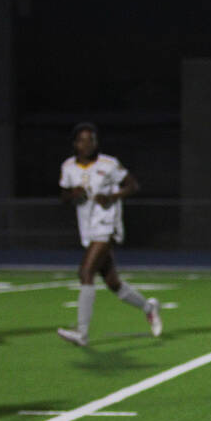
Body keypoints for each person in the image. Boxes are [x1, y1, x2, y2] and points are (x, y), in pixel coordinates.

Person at [57, 122, 161, 347]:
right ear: (76, 143)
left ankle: (81, 333)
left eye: (92, 139)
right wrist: (72, 193)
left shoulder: (109, 164)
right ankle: (149, 307)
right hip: (87, 228)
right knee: (113, 282)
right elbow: (64, 196)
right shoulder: (68, 167)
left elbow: (133, 185)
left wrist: (112, 197)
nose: (89, 144)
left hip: (107, 225)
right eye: (83, 140)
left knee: (85, 272)